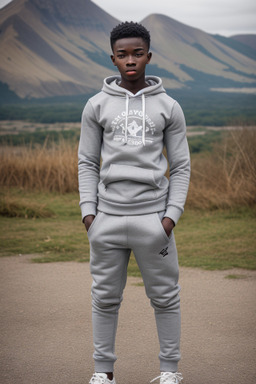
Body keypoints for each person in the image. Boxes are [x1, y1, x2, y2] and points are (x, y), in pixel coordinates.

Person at [78, 21, 190, 384]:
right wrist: (89, 214)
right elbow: (87, 163)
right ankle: (103, 373)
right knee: (104, 299)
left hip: (153, 220)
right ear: (112, 59)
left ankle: (170, 372)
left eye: (137, 54)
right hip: (106, 220)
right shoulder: (95, 105)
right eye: (123, 55)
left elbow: (182, 166)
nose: (131, 60)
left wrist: (169, 218)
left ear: (148, 57)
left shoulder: (169, 106)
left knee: (165, 298)